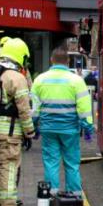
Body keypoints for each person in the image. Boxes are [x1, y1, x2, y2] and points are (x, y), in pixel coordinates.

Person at [0, 37, 36, 206]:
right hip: (8, 133)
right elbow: (24, 109)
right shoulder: (16, 77)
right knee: (9, 169)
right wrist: (30, 131)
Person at [30, 46, 94, 197]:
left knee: (51, 163)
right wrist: (88, 129)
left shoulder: (39, 80)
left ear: (51, 60)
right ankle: (75, 197)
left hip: (48, 129)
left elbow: (35, 109)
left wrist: (34, 126)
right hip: (70, 130)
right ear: (67, 61)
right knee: (72, 164)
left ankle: (51, 198)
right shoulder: (77, 81)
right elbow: (84, 108)